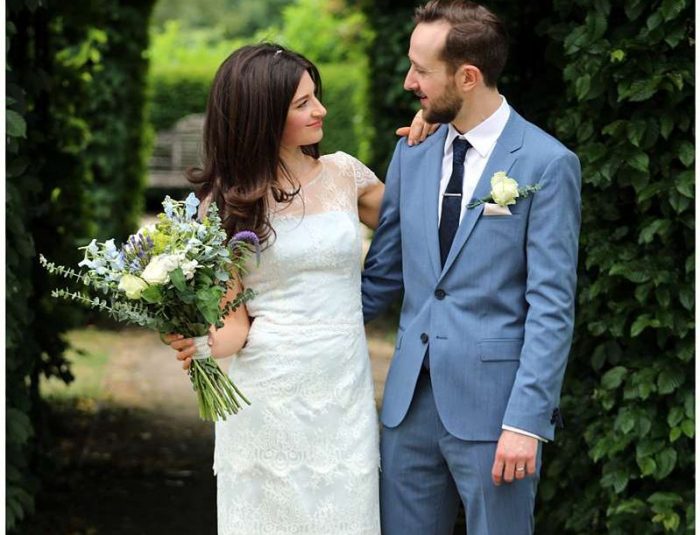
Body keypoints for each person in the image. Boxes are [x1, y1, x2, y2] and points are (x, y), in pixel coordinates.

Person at [163, 43, 430, 535]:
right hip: (266, 399)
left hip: (342, 394)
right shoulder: (225, 207)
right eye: (302, 103)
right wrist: (198, 340)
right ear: (262, 116)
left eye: (316, 96)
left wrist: (425, 147)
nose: (320, 109)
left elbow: (422, 224)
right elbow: (234, 328)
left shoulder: (345, 174)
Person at [361, 2, 582, 534]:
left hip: (495, 414)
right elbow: (382, 277)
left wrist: (525, 422)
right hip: (407, 408)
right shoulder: (412, 152)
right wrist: (279, 324)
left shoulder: (546, 164)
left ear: (468, 76)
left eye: (421, 70)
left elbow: (551, 306)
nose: (409, 81)